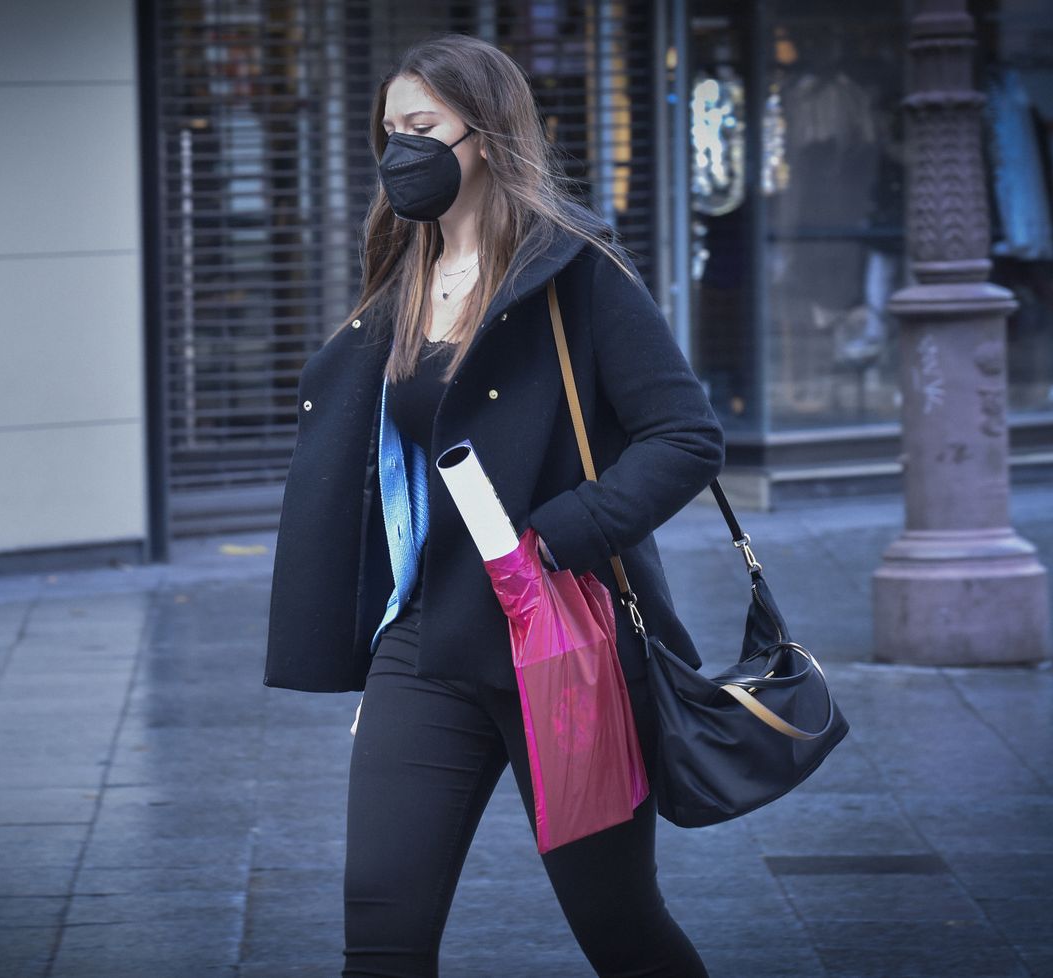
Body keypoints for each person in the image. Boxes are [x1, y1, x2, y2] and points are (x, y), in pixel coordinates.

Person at [264, 32, 724, 978]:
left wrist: (554, 537)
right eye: (389, 132)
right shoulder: (402, 279)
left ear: (487, 133)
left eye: (422, 127)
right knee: (381, 939)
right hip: (426, 645)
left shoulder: (577, 270)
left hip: (566, 644)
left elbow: (685, 437)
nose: (401, 151)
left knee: (620, 928)